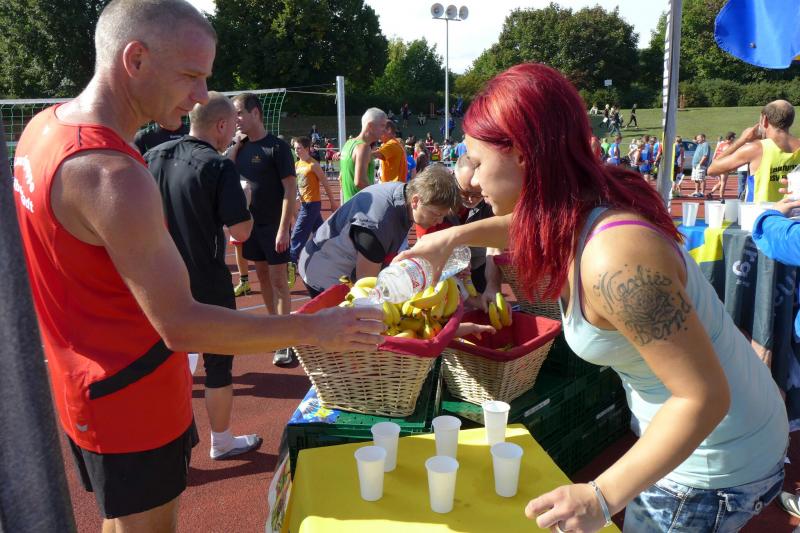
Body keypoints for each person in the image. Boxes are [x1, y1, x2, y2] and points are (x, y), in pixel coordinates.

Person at [10, 1, 384, 530]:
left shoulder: (43, 129)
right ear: (135, 59)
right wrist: (316, 328)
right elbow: (182, 325)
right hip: (130, 397)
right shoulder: (110, 174)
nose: (202, 96)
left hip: (90, 385)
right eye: (191, 75)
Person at [395, 63, 788, 533]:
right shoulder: (582, 200)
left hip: (713, 462)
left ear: (522, 153)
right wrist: (452, 237)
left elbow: (703, 397)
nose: (471, 182)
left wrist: (599, 496)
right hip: (716, 440)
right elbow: (532, 223)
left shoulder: (616, 259)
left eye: (477, 163)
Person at [145, 92, 263, 460]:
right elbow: (241, 230)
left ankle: (163, 445)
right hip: (206, 279)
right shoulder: (218, 166)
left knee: (162, 363)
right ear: (221, 125)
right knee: (218, 364)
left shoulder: (152, 156)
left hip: (158, 277)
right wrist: (247, 202)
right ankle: (221, 440)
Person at [298, 165, 459, 297]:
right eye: (436, 214)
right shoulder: (378, 223)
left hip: (337, 264)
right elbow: (366, 287)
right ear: (416, 201)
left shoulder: (404, 194)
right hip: (324, 274)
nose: (439, 221)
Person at [227, 93, 297, 366]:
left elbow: (289, 189)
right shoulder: (240, 147)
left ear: (255, 112)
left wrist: (284, 229)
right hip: (251, 226)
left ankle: (285, 340)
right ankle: (273, 330)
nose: (235, 119)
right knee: (264, 278)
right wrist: (234, 147)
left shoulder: (277, 147)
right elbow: (227, 173)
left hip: (273, 226)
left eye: (239, 113)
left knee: (279, 281)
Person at [708, 100, 800, 203]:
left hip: (759, 211)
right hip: (794, 210)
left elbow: (712, 169)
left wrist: (742, 140)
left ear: (764, 120)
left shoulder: (755, 149)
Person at [289, 136, 338, 270]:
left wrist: (333, 202)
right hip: (305, 203)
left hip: (312, 204)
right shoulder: (297, 165)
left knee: (296, 235)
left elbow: (325, 183)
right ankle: (333, 256)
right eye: (295, 148)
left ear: (307, 149)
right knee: (320, 232)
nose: (296, 151)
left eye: (299, 148)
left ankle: (291, 264)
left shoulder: (313, 165)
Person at [338, 107, 386, 203]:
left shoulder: (348, 144)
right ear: (370, 126)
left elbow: (341, 178)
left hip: (349, 204)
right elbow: (360, 182)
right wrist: (379, 196)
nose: (384, 130)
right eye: (382, 126)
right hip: (362, 206)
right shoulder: (363, 147)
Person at [708, 131, 736, 199]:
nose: (735, 139)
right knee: (723, 182)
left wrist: (713, 162)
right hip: (723, 165)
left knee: (720, 182)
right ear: (731, 138)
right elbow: (729, 158)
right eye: (734, 138)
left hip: (717, 164)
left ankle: (711, 193)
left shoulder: (721, 144)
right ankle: (721, 197)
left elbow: (715, 153)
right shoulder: (728, 146)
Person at [690, 133, 711, 197]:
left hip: (701, 165)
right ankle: (696, 191)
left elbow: (705, 155)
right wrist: (696, 140)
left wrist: (700, 164)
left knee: (701, 179)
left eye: (699, 138)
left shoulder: (705, 145)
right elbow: (695, 140)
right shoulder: (700, 144)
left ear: (703, 138)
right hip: (695, 165)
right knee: (696, 179)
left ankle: (702, 192)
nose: (697, 139)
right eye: (697, 138)